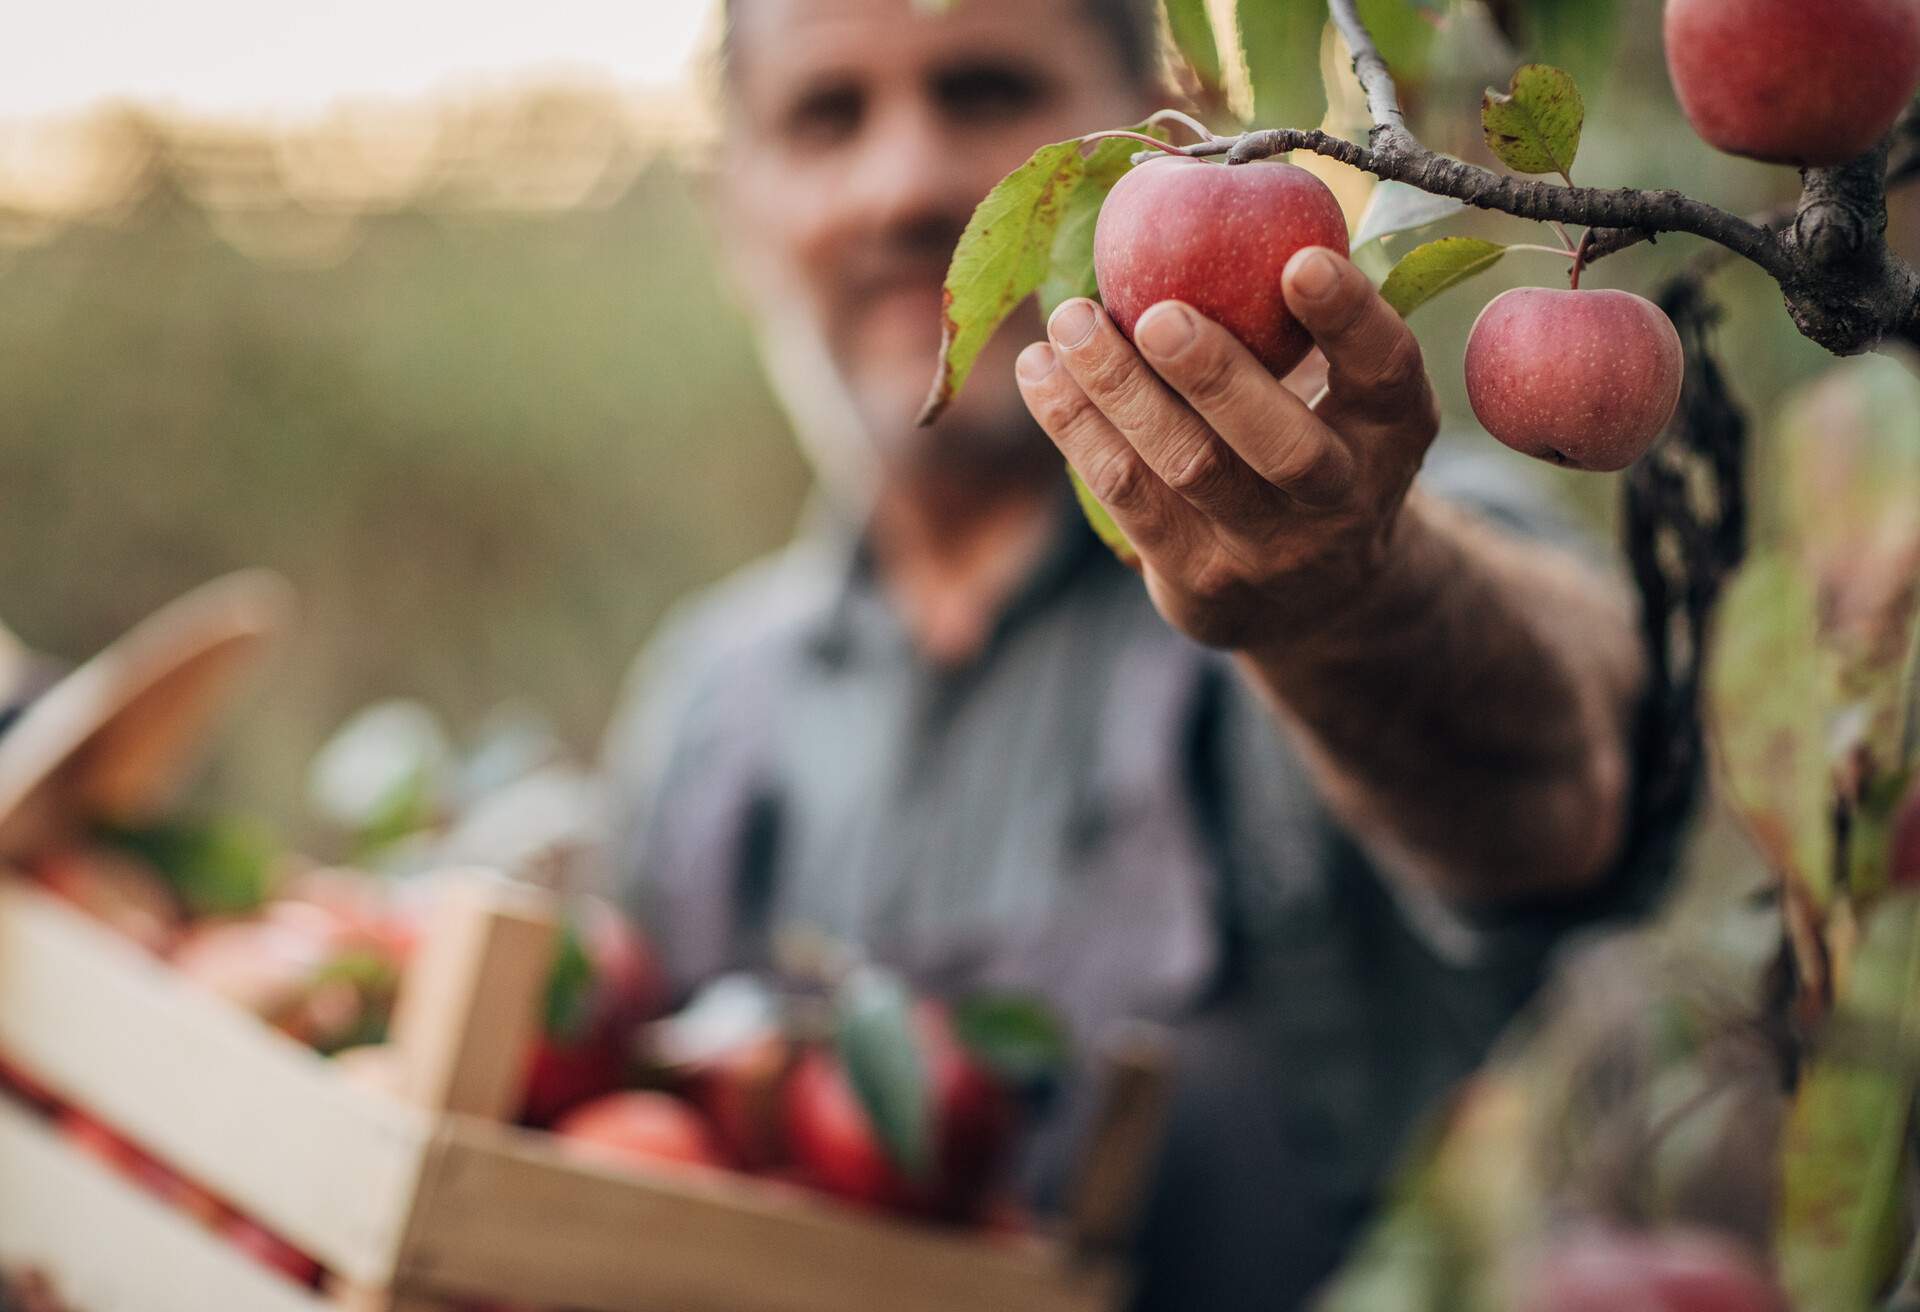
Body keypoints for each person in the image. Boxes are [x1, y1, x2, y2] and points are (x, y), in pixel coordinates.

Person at [602, 0, 1661, 1306]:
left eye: (985, 93)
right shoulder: (706, 703)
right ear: (733, 210)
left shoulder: (1355, 515)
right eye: (828, 116)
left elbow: (1562, 784)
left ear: (1167, 127)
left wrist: (1354, 601)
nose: (906, 183)